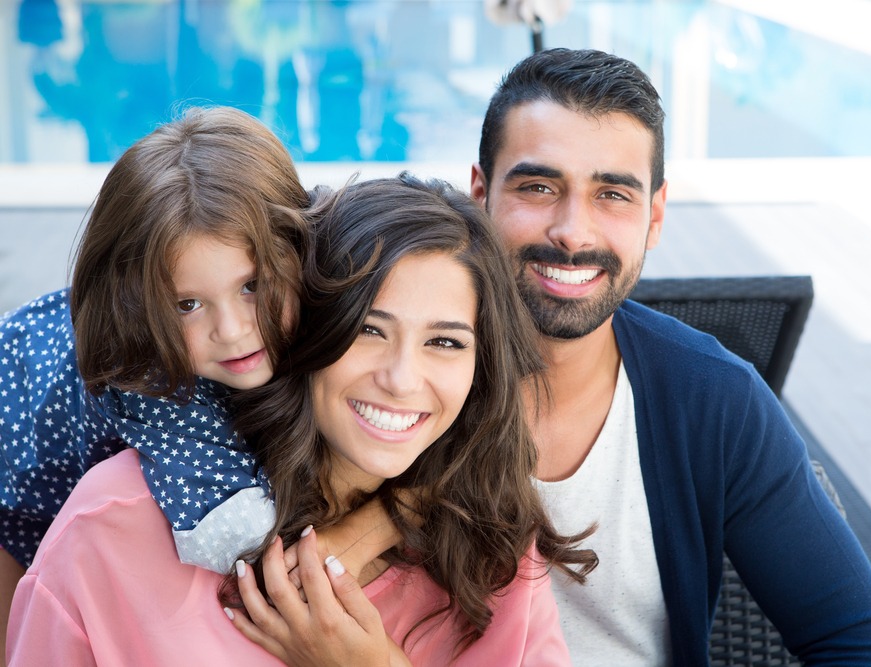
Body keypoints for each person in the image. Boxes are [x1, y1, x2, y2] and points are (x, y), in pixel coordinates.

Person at [6, 173, 596, 665]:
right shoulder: (116, 524)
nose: (401, 378)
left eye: (444, 343)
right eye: (368, 330)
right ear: (305, 326)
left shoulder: (499, 557)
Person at [466, 48, 871, 665]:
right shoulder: (403, 382)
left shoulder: (713, 401)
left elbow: (858, 643)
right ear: (479, 193)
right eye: (539, 186)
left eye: (613, 195)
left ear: (655, 216)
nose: (574, 230)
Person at [0, 106, 382, 649]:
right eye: (186, 303)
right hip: (17, 496)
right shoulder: (151, 385)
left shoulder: (308, 251)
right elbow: (245, 549)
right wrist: (395, 513)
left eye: (252, 285)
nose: (231, 331)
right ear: (136, 303)